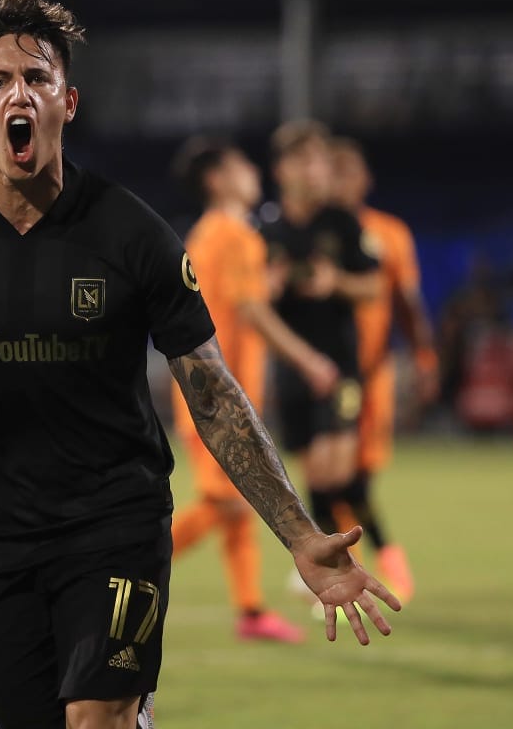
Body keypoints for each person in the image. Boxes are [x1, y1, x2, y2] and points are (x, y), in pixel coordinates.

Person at [0, 0, 400, 729]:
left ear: (67, 101)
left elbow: (214, 395)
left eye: (36, 78)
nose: (18, 93)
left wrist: (300, 534)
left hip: (116, 522)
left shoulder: (137, 238)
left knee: (95, 718)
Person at [169, 138, 339, 643]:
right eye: (241, 165)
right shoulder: (235, 235)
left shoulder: (209, 234)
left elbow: (231, 300)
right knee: (227, 503)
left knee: (242, 499)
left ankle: (251, 611)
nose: (252, 172)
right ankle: (121, 562)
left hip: (207, 388)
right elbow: (248, 310)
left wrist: (270, 283)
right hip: (215, 396)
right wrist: (308, 359)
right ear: (217, 179)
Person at [260, 120, 382, 546]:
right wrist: (268, 287)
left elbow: (374, 286)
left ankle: (337, 552)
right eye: (305, 160)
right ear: (282, 169)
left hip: (341, 362)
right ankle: (329, 558)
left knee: (338, 466)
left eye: (319, 161)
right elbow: (250, 304)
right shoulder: (266, 230)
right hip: (292, 369)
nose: (315, 170)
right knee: (314, 470)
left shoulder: (343, 223)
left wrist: (337, 282)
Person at [329, 136, 439, 601]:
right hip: (330, 374)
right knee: (336, 476)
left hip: (373, 373)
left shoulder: (389, 234)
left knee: (358, 477)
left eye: (346, 173)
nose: (339, 184)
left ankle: (368, 565)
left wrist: (425, 357)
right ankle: (367, 566)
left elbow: (408, 303)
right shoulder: (319, 235)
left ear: (364, 179)